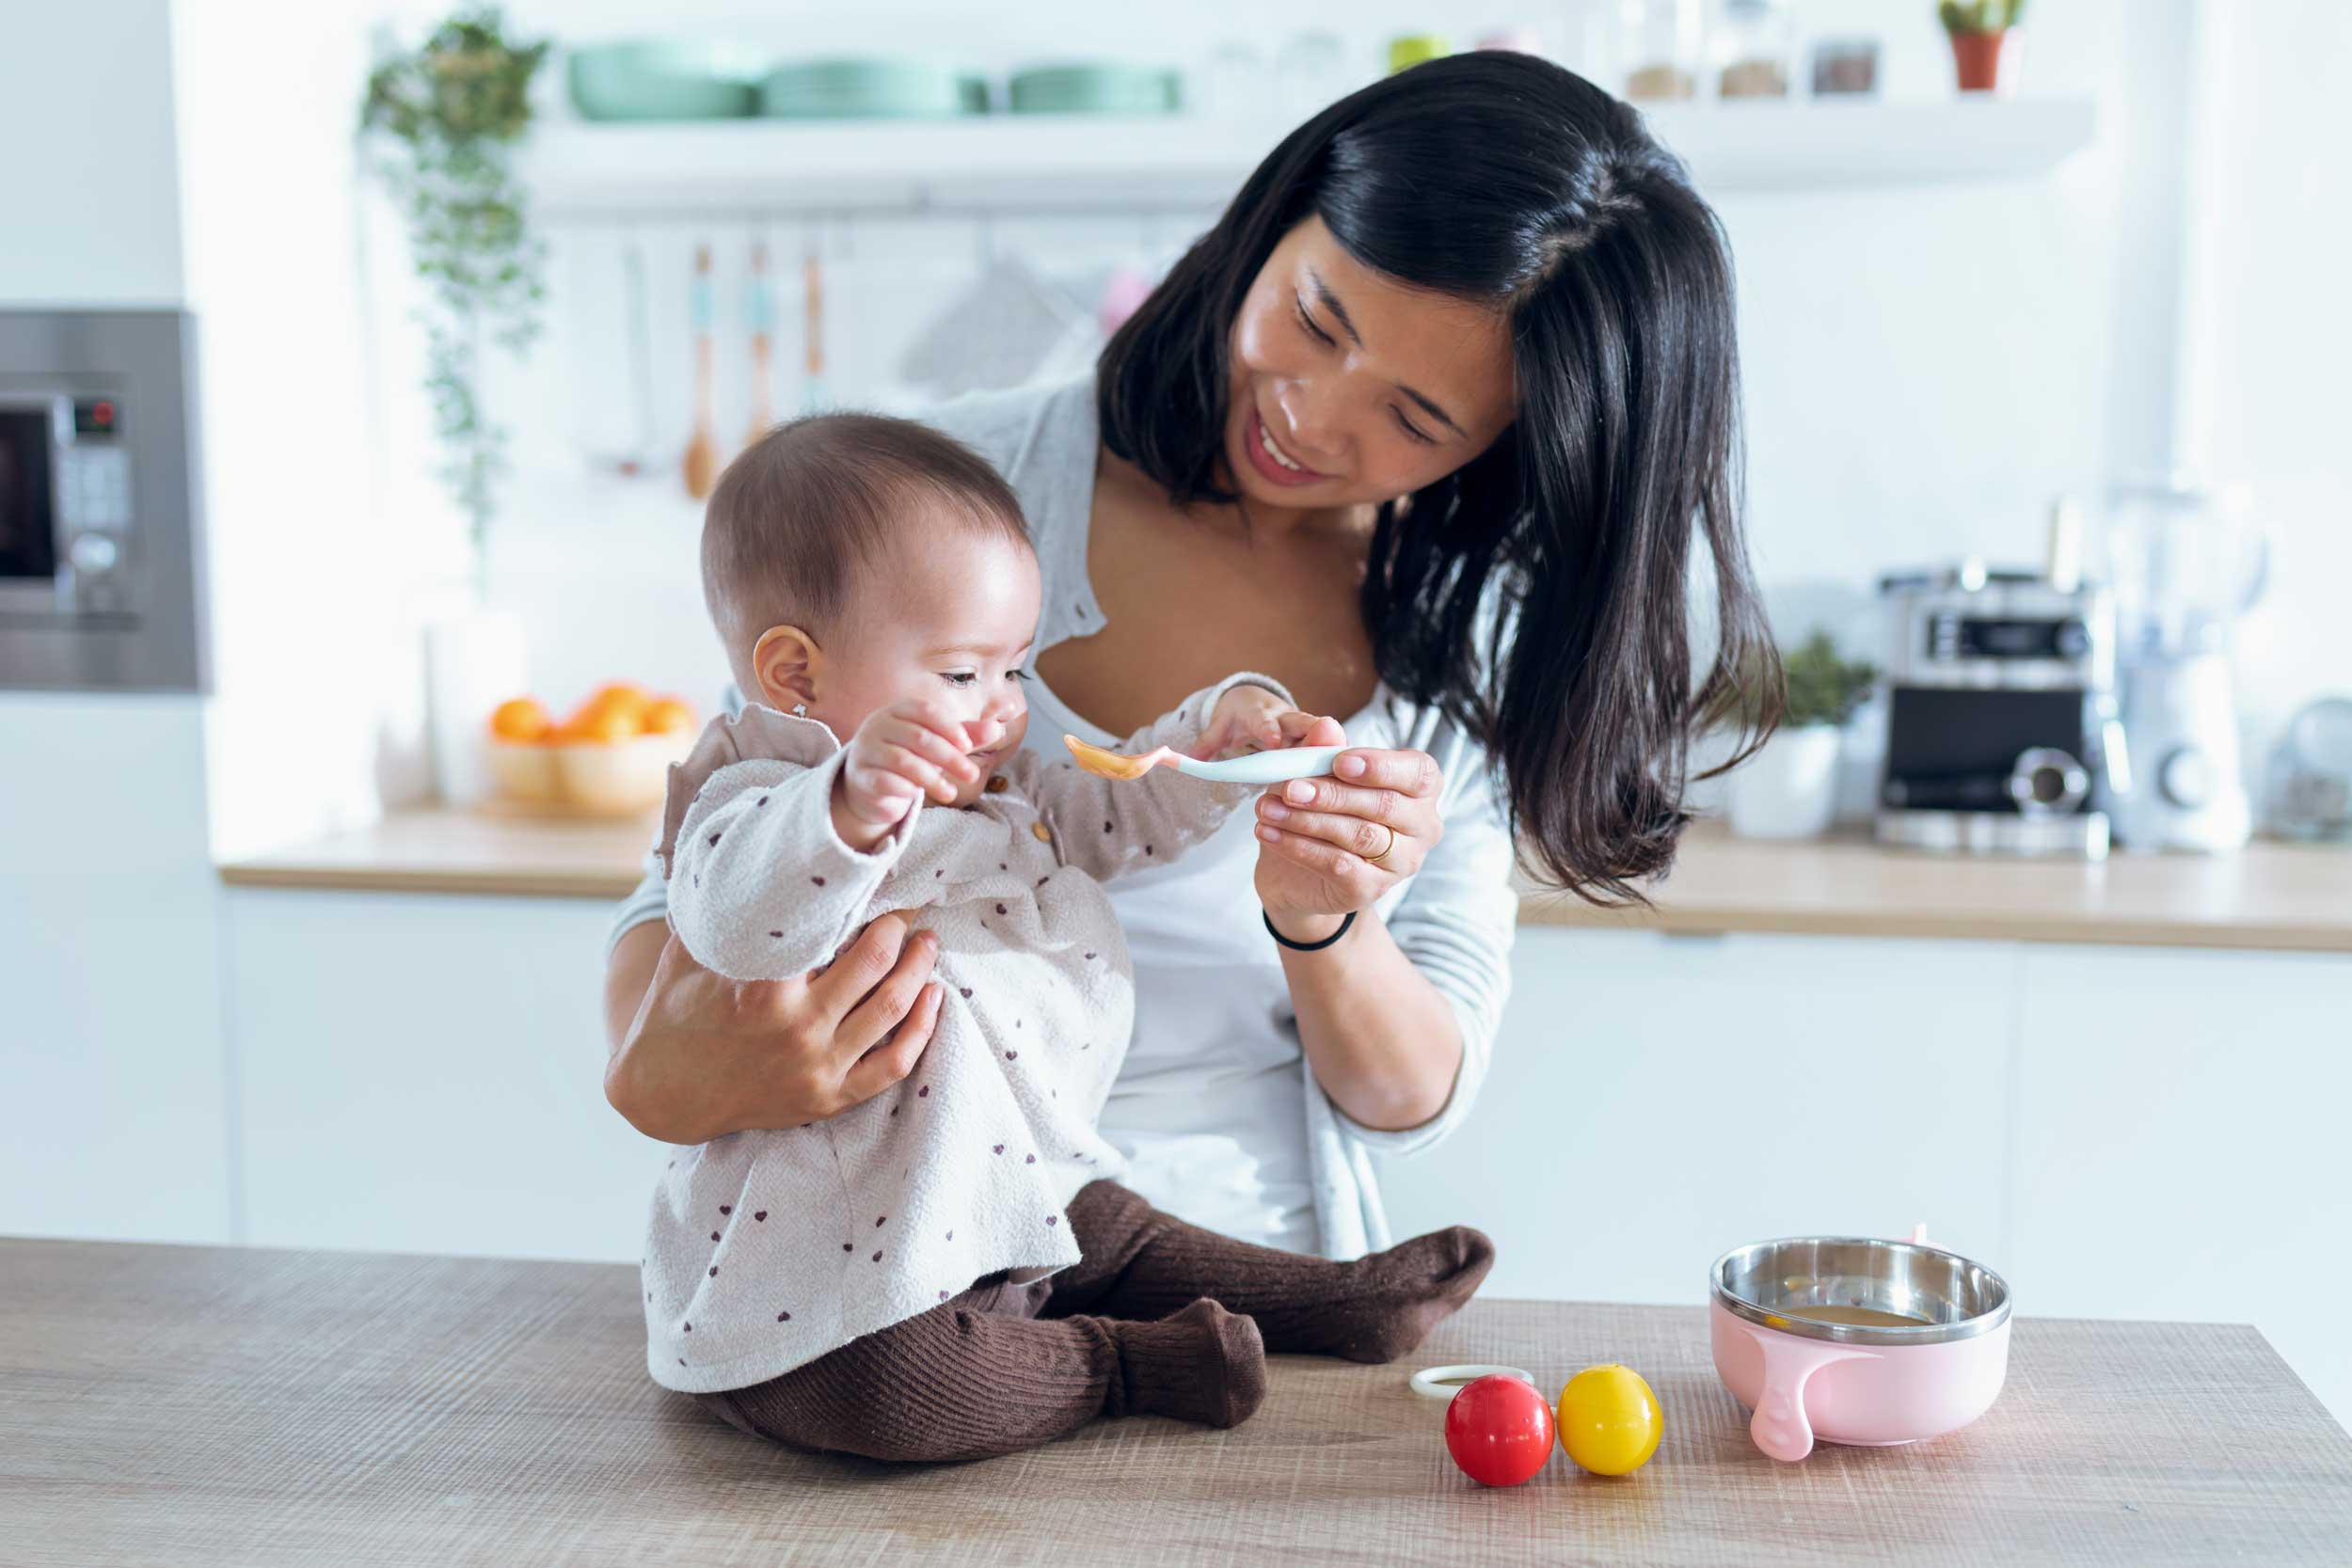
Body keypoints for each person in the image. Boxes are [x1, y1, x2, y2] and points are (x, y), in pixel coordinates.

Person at [602, 51, 1778, 1263]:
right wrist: (693, 1069)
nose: (1311, 416)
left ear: (1508, 446)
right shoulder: (938, 498)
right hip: (889, 1254)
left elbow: (1413, 1100)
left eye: (1415, 418)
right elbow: (679, 911)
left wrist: (1325, 921)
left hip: (1242, 1276)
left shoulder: (1461, 654)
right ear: (1274, 221)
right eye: (1317, 319)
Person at [645, 413, 1494, 1462]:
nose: (1006, 710)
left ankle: (1329, 1298)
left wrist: (1204, 737)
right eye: (965, 673)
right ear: (796, 676)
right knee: (896, 1392)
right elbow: (732, 915)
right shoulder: (753, 794)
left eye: (1016, 670)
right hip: (840, 1269)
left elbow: (1114, 813)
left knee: (1120, 1231)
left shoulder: (989, 789)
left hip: (1013, 1172)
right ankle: (1124, 1364)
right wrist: (847, 803)